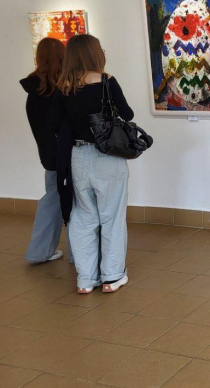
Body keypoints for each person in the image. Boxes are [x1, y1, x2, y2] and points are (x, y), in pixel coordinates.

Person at [51, 34, 133, 294]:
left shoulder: (64, 86)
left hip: (78, 156)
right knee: (112, 217)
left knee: (84, 217)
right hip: (107, 156)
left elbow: (57, 124)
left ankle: (86, 280)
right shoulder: (107, 82)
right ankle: (112, 276)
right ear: (95, 53)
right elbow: (128, 114)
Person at [20, 37, 72, 264]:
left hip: (49, 156)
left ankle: (40, 251)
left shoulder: (33, 92)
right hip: (71, 154)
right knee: (76, 204)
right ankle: (78, 255)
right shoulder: (66, 88)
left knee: (52, 200)